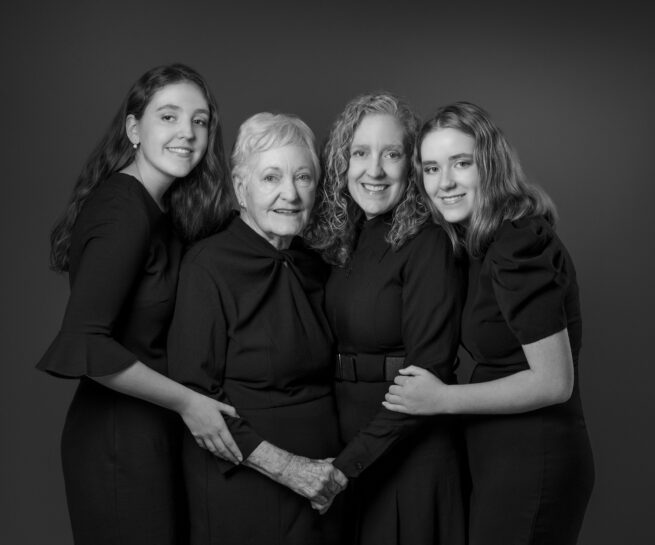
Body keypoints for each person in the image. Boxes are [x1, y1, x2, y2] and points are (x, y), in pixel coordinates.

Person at [36, 63, 239, 545]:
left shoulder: (159, 209)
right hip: (116, 442)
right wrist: (191, 403)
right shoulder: (121, 209)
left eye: (200, 121)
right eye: (168, 117)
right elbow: (87, 343)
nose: (187, 134)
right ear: (134, 128)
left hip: (147, 433)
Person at [384, 101, 595, 545]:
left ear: (491, 165)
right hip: (498, 457)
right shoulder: (481, 241)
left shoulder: (518, 242)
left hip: (534, 461)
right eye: (430, 168)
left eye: (462, 163)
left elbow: (554, 382)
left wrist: (442, 399)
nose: (445, 183)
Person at [167, 112, 346, 545]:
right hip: (248, 489)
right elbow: (196, 396)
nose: (290, 193)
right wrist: (290, 469)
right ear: (239, 187)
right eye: (271, 178)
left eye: (303, 177)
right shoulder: (208, 266)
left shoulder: (315, 262)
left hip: (325, 489)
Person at [306, 92, 466, 545]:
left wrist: (344, 468)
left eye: (391, 154)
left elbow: (426, 376)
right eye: (360, 153)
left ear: (410, 165)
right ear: (342, 162)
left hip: (408, 455)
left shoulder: (428, 242)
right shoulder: (343, 239)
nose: (374, 171)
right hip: (348, 447)